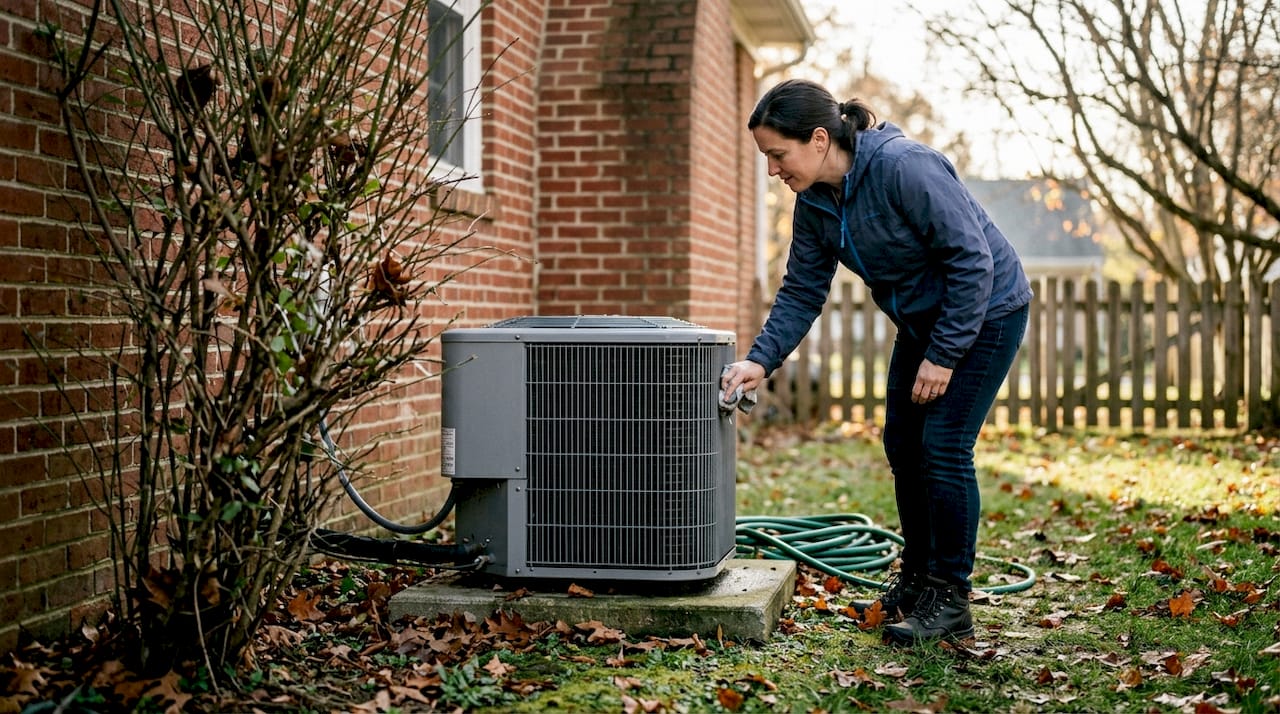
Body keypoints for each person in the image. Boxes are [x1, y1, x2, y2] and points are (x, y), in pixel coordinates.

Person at [721, 78, 1032, 646]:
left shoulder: (904, 168)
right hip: (923, 322)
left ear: (818, 139)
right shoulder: (815, 201)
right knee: (902, 445)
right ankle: (916, 581)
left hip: (985, 312)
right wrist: (760, 361)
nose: (772, 170)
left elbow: (972, 260)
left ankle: (950, 597)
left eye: (777, 155)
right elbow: (801, 290)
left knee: (943, 446)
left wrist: (943, 355)